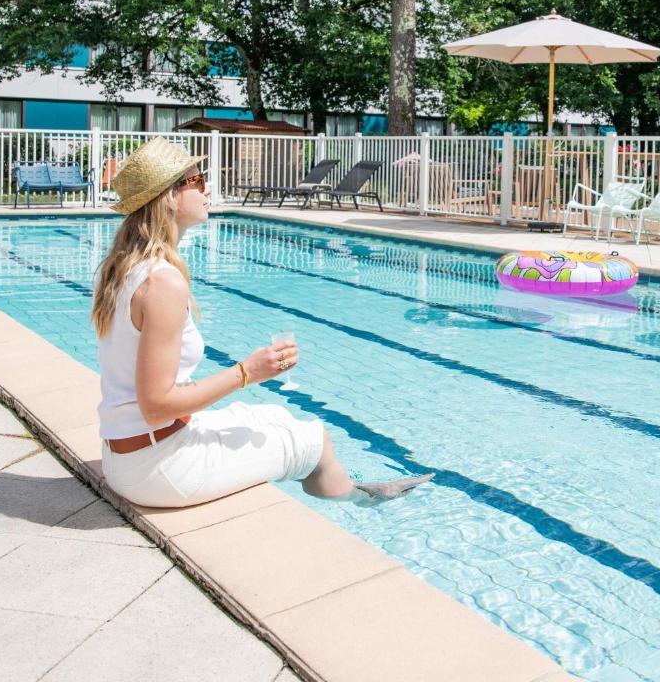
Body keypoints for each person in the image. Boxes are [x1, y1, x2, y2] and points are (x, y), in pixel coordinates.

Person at [92, 137, 432, 508]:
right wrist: (247, 372)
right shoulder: (162, 281)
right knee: (315, 439)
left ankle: (349, 491)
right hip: (160, 468)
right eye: (199, 181)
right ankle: (358, 502)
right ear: (170, 196)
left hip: (131, 454)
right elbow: (156, 406)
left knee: (274, 415)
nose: (208, 189)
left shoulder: (122, 266)